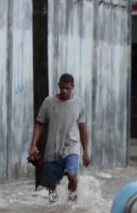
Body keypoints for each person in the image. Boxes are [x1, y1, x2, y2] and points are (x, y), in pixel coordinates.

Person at [29, 73, 91, 202]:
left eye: (67, 88)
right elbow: (40, 124)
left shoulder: (79, 103)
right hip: (52, 150)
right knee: (51, 189)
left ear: (72, 87)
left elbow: (82, 128)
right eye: (62, 88)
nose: (64, 91)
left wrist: (85, 152)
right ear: (58, 86)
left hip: (71, 147)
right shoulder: (48, 102)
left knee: (72, 176)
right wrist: (33, 145)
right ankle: (56, 212)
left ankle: (71, 201)